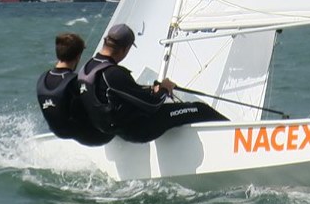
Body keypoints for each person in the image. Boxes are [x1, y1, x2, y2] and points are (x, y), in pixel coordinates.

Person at [77, 23, 228, 143]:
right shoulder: (113, 73)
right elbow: (152, 105)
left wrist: (152, 89)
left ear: (105, 41)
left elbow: (118, 93)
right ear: (125, 49)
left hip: (109, 129)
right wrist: (164, 89)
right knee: (200, 109)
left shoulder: (87, 67)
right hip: (138, 130)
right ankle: (233, 138)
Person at [36, 32, 112, 146]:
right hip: (91, 137)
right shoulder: (75, 82)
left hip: (58, 132)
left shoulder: (43, 78)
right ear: (78, 56)